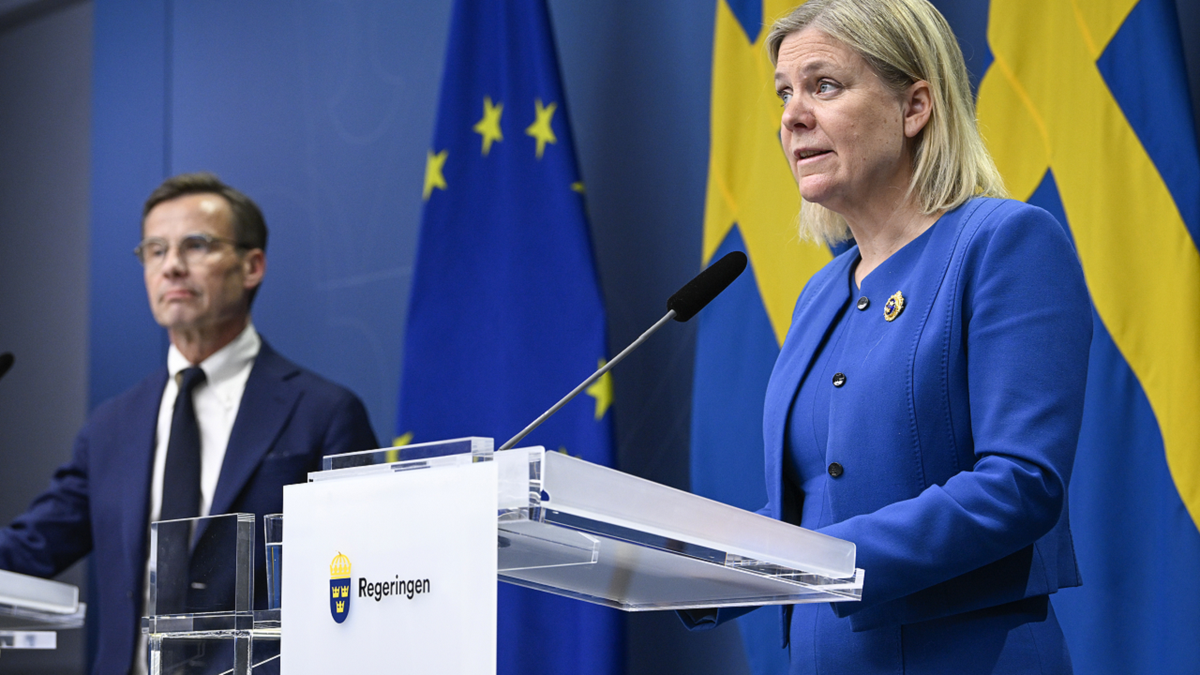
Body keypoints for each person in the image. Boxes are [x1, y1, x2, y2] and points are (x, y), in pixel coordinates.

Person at [683, 1, 1092, 673]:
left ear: (915, 107)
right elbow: (819, 502)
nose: (792, 115)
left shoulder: (1004, 244)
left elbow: (1021, 483)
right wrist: (681, 565)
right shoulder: (822, 293)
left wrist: (821, 559)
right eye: (785, 93)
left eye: (824, 85)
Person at [0, 173, 380, 674]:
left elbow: (370, 578)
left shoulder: (323, 411)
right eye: (155, 251)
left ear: (252, 266)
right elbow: (28, 551)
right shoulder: (111, 426)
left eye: (195, 246)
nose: (172, 266)